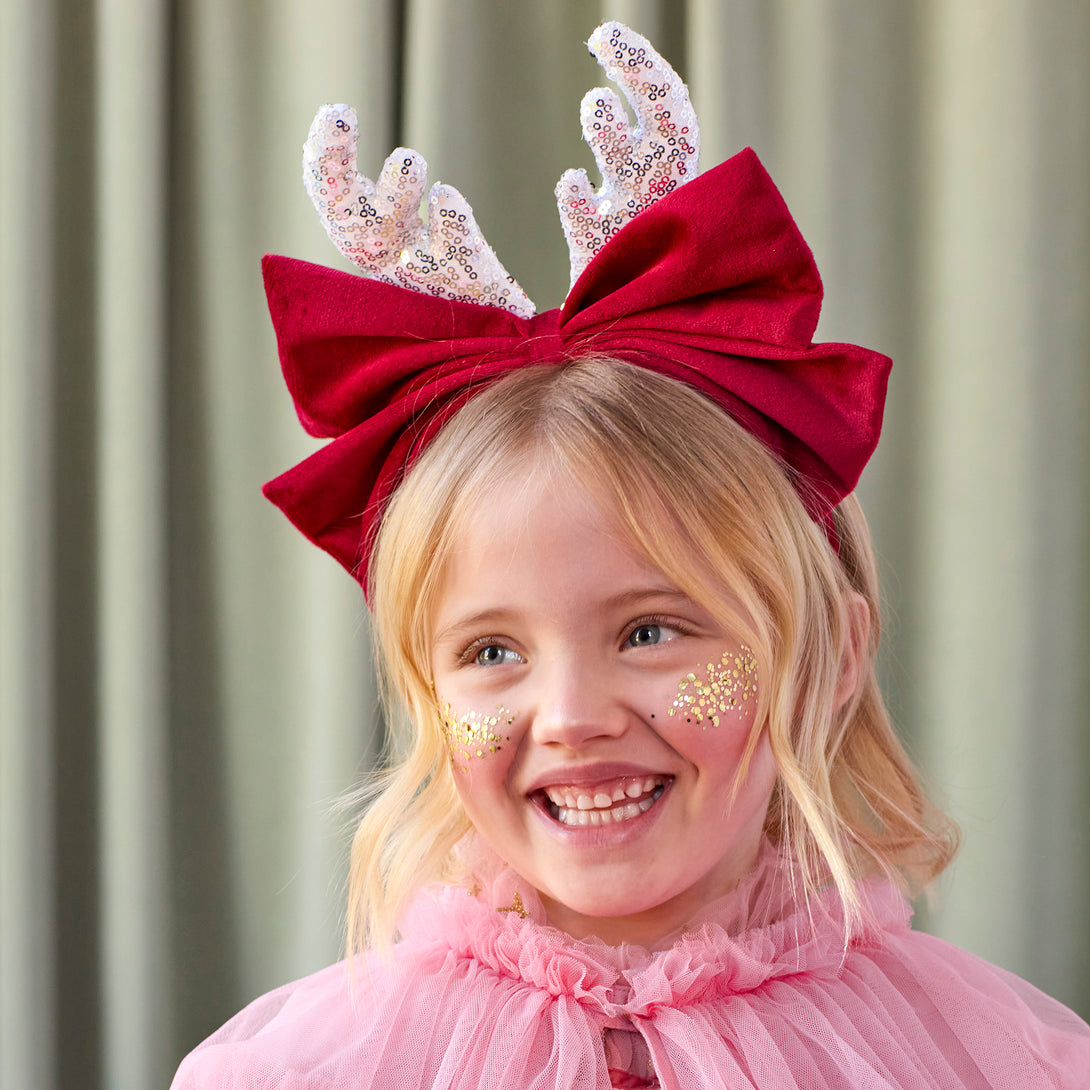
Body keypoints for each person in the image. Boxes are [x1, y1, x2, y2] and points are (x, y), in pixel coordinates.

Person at [171, 22, 1090, 1089]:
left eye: (649, 630)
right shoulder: (309, 1071)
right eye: (491, 652)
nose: (570, 717)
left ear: (832, 652)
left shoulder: (992, 1063)